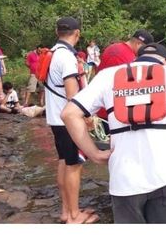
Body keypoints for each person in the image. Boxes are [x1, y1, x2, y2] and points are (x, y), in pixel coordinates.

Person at [61, 43, 166, 224]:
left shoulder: (107, 76)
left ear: (136, 59)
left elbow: (69, 114)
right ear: (165, 61)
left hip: (123, 182)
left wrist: (94, 154)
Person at [45, 17, 98, 224]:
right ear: (77, 33)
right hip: (67, 121)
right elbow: (72, 95)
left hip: (54, 118)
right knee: (74, 166)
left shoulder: (52, 53)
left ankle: (66, 211)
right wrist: (85, 118)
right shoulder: (66, 57)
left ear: (57, 31)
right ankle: (75, 216)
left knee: (64, 163)